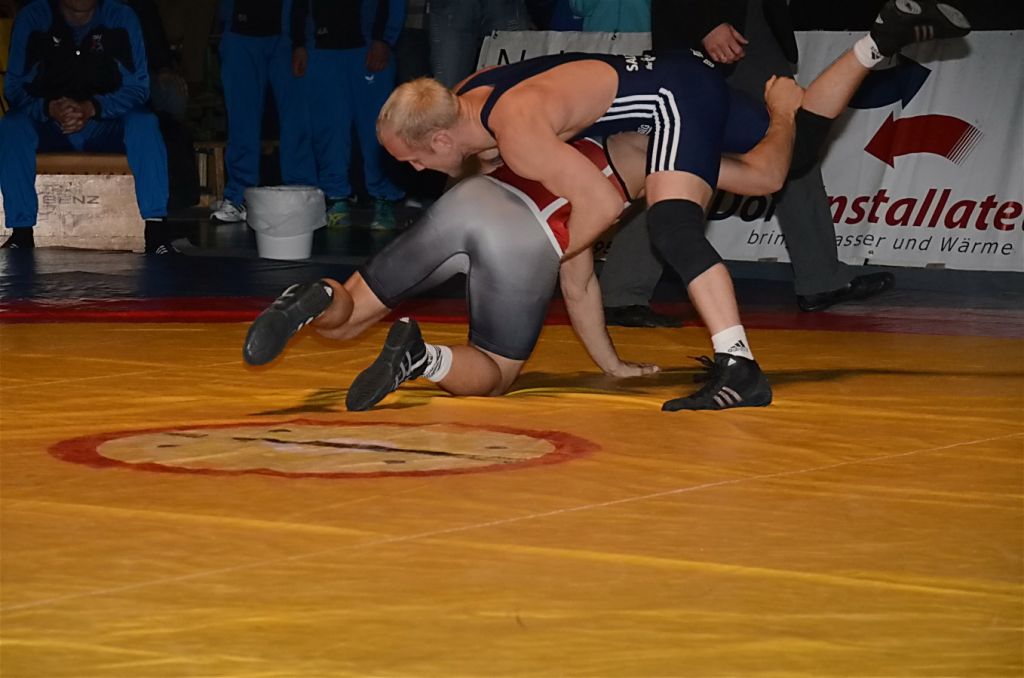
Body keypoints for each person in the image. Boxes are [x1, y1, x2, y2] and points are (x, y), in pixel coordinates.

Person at [373, 0, 970, 411]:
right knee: (786, 162)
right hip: (670, 86)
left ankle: (739, 368)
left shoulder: (517, 139)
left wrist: (545, 250)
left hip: (667, 97)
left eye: (414, 159)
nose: (415, 171)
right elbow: (577, 273)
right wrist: (610, 362)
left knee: (675, 225)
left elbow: (590, 222)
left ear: (442, 140)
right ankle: (877, 40)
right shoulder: (473, 102)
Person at [243, 84, 802, 410]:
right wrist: (785, 116)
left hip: (469, 200)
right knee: (496, 372)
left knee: (343, 323)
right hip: (522, 233)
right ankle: (423, 357)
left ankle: (317, 293)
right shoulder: (660, 152)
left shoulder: (563, 118)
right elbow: (577, 281)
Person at [599, 0, 896, 314]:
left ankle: (622, 290)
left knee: (690, 150)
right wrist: (704, 21)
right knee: (769, 138)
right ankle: (822, 277)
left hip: (745, 23)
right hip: (723, 25)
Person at [0, 0, 175, 253]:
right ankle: (21, 233)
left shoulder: (120, 17)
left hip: (105, 124)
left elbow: (138, 88)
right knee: (13, 126)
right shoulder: (34, 18)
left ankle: (157, 233)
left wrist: (92, 107)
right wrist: (49, 108)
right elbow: (14, 88)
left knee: (145, 122)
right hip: (50, 125)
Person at [290, 0, 406, 230]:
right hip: (321, 49)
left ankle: (383, 198)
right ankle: (336, 198)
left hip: (368, 47)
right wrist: (299, 43)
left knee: (378, 128)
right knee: (328, 129)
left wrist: (384, 39)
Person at [210, 0, 316, 224]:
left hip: (287, 34)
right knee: (241, 121)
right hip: (240, 32)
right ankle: (239, 196)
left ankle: (301, 196)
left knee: (296, 119)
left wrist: (300, 40)